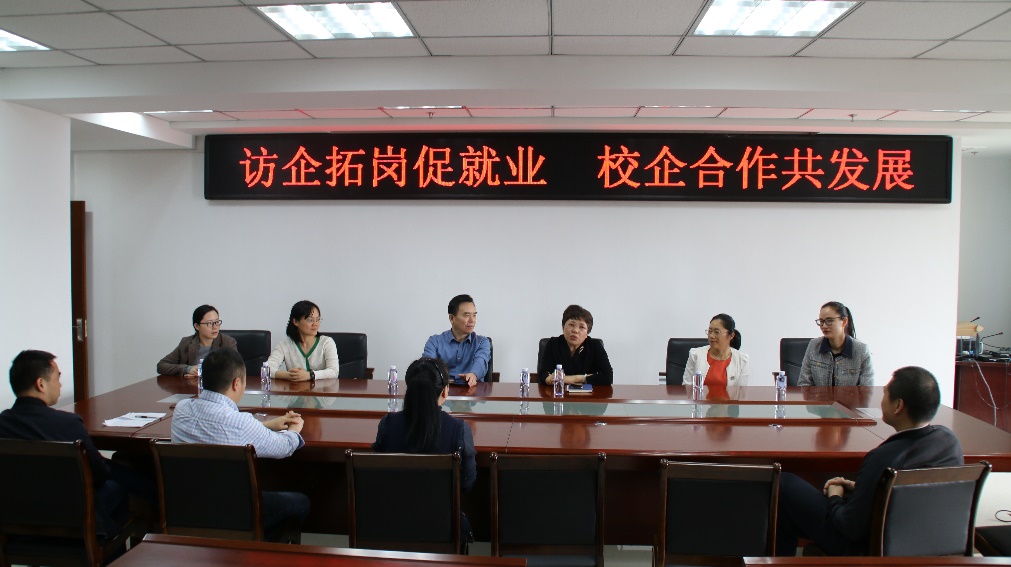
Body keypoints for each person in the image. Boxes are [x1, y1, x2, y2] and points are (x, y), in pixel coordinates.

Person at [776, 366, 963, 556]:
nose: (882, 399)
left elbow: (850, 526)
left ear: (898, 406)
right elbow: (920, 494)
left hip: (872, 548)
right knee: (789, 514)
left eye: (885, 393)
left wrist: (835, 496)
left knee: (784, 484)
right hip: (927, 542)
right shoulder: (950, 442)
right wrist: (863, 488)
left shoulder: (883, 457)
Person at [0, 350, 156, 535]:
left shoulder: (3, 424)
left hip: (17, 516)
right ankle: (112, 544)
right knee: (126, 483)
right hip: (71, 514)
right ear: (41, 384)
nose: (60, 384)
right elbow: (97, 473)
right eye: (57, 377)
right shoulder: (67, 423)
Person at [171, 348, 310, 533]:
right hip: (233, 512)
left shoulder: (181, 410)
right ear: (236, 383)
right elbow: (283, 447)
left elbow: (221, 426)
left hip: (186, 507)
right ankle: (257, 546)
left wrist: (266, 425)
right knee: (301, 502)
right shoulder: (241, 424)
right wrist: (294, 430)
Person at [372, 357, 477, 545]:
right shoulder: (458, 430)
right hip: (442, 530)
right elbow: (467, 484)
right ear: (445, 391)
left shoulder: (387, 424)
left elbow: (378, 476)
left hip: (390, 526)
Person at [799, 301, 874, 386]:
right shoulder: (813, 346)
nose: (824, 326)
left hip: (851, 396)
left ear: (844, 321)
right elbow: (804, 384)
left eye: (829, 320)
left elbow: (866, 389)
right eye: (821, 321)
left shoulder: (862, 350)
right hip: (818, 395)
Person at [423, 294, 490, 386]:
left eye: (474, 315)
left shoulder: (482, 342)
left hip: (472, 390)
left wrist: (473, 375)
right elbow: (428, 367)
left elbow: (481, 362)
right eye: (467, 315)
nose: (472, 320)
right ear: (452, 318)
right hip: (442, 390)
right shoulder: (434, 342)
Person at [538, 304, 614, 386]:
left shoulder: (594, 346)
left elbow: (608, 377)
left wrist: (571, 379)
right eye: (571, 325)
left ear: (587, 333)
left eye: (582, 327)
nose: (575, 330)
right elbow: (543, 374)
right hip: (558, 392)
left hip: (588, 394)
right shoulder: (553, 344)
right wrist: (549, 379)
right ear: (563, 327)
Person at [267, 300, 339, 382]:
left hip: (322, 389)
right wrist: (289, 375)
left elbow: (334, 371)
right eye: (310, 320)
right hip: (295, 389)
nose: (315, 324)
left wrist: (310, 375)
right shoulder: (285, 344)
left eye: (318, 319)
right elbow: (267, 368)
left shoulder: (327, 342)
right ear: (295, 322)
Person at [157, 304, 238, 376]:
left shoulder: (227, 342)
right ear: (197, 326)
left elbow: (236, 368)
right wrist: (187, 369)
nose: (215, 327)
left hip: (219, 387)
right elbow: (161, 365)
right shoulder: (186, 343)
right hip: (192, 386)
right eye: (209, 323)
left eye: (217, 322)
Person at [683, 313, 750, 387]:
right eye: (710, 331)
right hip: (699, 395)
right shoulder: (695, 355)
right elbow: (687, 387)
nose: (711, 336)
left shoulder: (742, 360)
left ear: (731, 335)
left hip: (730, 395)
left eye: (717, 332)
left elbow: (741, 391)